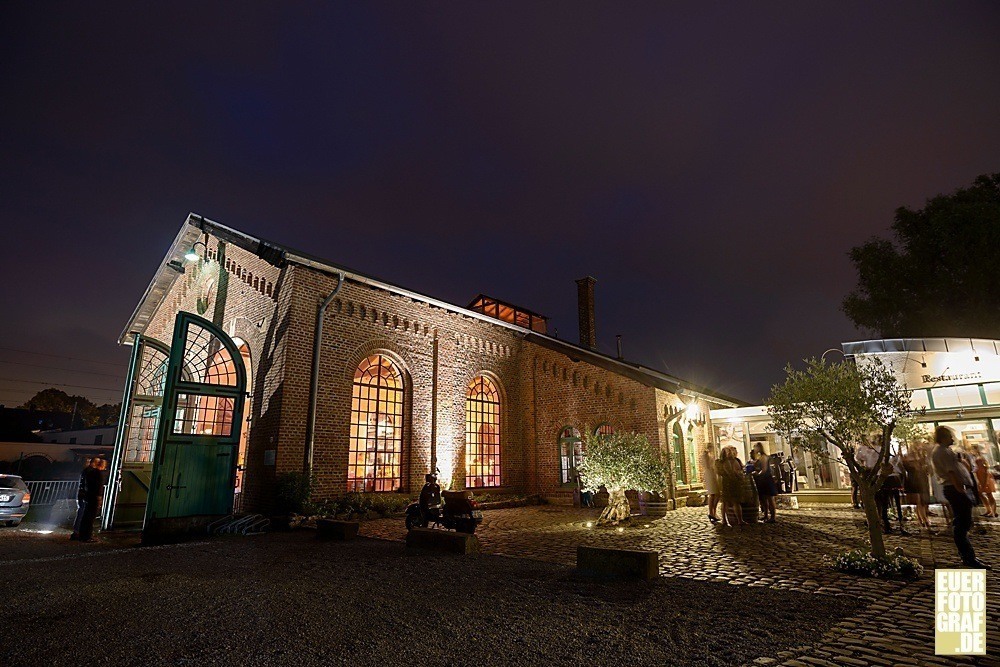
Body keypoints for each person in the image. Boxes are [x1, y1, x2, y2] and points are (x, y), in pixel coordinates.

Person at [931, 426, 991, 569]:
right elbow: (951, 472)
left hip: (956, 488)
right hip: (954, 488)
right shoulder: (941, 452)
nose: (953, 438)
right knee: (962, 523)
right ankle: (968, 557)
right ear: (944, 437)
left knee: (964, 522)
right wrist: (960, 488)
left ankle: (968, 555)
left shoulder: (945, 451)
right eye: (950, 436)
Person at [902, 442, 933, 533]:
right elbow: (905, 468)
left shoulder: (922, 457)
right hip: (914, 480)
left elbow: (928, 469)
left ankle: (924, 518)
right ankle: (923, 519)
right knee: (919, 501)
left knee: (924, 500)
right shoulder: (907, 459)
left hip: (922, 479)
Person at [76, 457, 105, 543]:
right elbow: (98, 487)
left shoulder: (89, 472)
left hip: (87, 496)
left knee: (85, 515)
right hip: (92, 497)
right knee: (90, 517)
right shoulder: (97, 473)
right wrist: (99, 497)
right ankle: (86, 536)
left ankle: (80, 534)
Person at [716, 446, 744, 528]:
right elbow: (730, 472)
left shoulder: (725, 461)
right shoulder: (726, 462)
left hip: (726, 483)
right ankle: (738, 520)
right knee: (733, 501)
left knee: (727, 502)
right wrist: (737, 476)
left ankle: (727, 520)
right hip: (731, 483)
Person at [751, 443, 777, 523]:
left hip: (766, 479)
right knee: (764, 499)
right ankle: (765, 515)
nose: (754, 449)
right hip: (763, 480)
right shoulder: (760, 457)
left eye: (755, 447)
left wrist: (757, 473)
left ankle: (772, 516)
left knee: (769, 498)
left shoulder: (763, 457)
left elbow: (764, 469)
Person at [70, 458, 95, 541]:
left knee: (80, 512)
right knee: (82, 513)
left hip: (81, 495)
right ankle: (78, 532)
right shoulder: (89, 471)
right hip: (84, 496)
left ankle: (76, 532)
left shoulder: (84, 471)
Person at [972, 446, 997, 518]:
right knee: (981, 494)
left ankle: (993, 511)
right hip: (981, 478)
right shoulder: (977, 458)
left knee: (989, 495)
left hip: (985, 478)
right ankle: (989, 510)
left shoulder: (981, 458)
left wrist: (985, 481)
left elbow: (986, 469)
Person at [700, 444, 721, 523]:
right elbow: (708, 465)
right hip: (710, 474)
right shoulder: (706, 455)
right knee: (714, 493)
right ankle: (712, 512)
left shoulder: (709, 455)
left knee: (714, 494)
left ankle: (713, 512)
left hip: (712, 474)